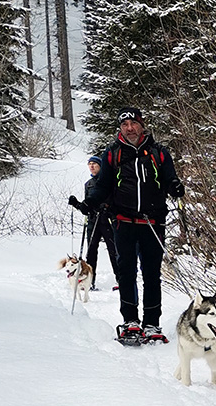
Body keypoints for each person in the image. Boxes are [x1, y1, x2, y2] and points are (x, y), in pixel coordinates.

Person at [84, 107, 184, 343]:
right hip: (124, 221)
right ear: (120, 128)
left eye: (133, 124)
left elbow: (170, 178)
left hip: (153, 221)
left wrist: (175, 187)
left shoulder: (158, 153)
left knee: (152, 273)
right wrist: (91, 202)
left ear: (141, 125)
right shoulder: (112, 153)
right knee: (126, 272)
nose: (129, 128)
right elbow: (103, 185)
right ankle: (130, 321)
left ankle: (152, 323)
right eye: (124, 125)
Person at [67, 155, 118, 290]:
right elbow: (86, 207)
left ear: (101, 166)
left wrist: (107, 206)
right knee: (91, 253)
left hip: (106, 220)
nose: (92, 166)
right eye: (90, 164)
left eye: (94, 164)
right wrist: (77, 204)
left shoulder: (108, 181)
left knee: (114, 251)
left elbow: (115, 200)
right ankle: (89, 282)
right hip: (93, 221)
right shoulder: (88, 184)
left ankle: (121, 281)